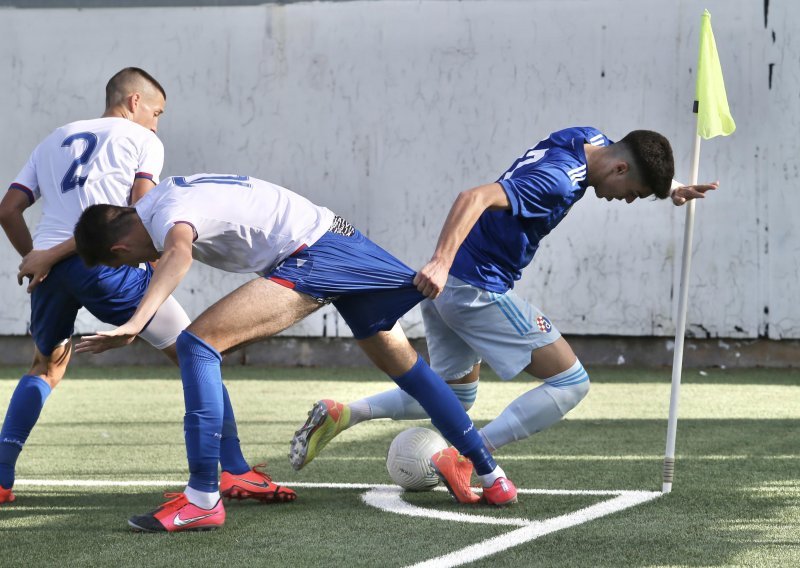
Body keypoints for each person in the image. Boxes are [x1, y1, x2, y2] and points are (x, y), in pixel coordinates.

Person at [72, 172, 517, 533]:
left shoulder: (167, 215)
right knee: (409, 371)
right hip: (341, 241)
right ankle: (493, 477)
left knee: (197, 345)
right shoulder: (160, 197)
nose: (133, 267)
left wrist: (134, 323)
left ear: (120, 247)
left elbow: (179, 253)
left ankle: (203, 499)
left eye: (123, 263)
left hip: (313, 254)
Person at [288, 127, 719, 499]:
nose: (626, 201)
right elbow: (473, 197)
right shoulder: (557, 181)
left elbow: (633, 154)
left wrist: (670, 187)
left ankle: (345, 413)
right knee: (570, 383)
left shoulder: (587, 139)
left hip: (452, 288)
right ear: (621, 169)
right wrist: (439, 260)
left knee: (454, 395)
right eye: (634, 194)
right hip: (475, 290)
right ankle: (464, 457)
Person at [0, 69, 291, 507]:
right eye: (157, 112)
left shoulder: (55, 138)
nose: (157, 123)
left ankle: (2, 479)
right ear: (134, 102)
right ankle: (234, 470)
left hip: (50, 274)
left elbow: (8, 210)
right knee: (200, 350)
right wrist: (59, 256)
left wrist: (38, 259)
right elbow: (138, 214)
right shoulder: (143, 141)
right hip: (107, 263)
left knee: (45, 367)